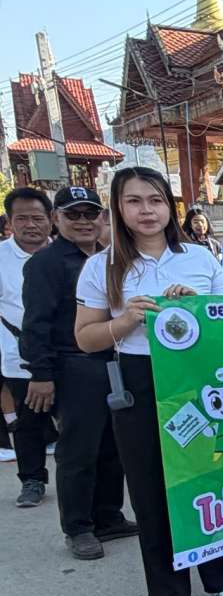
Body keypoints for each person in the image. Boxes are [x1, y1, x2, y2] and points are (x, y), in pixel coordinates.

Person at [73, 167, 223, 596]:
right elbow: (86, 338)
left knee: (212, 474)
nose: (146, 211)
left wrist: (197, 307)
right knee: (151, 486)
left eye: (155, 200)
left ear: (169, 206)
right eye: (134, 201)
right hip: (139, 377)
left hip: (199, 377)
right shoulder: (101, 266)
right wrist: (124, 321)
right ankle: (170, 592)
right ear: (118, 208)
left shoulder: (200, 258)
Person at [20, 185, 133, 559]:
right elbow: (36, 323)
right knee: (78, 450)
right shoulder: (46, 263)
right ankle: (78, 527)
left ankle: (108, 516)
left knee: (113, 446)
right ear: (57, 218)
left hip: (114, 359)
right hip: (73, 365)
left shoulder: (111, 257)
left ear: (103, 217)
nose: (83, 221)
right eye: (73, 214)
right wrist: (41, 373)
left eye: (90, 213)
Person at [0, 187, 55, 507]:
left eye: (37, 218)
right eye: (22, 219)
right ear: (10, 221)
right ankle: (32, 480)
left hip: (67, 352)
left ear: (51, 219)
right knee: (29, 421)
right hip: (20, 356)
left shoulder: (67, 253)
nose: (30, 225)